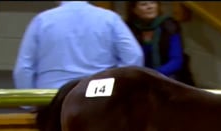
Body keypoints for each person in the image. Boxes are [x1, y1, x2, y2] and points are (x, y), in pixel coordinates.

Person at [13, 1, 144, 89]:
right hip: (99, 94)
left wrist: (29, 103)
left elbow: (24, 68)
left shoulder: (42, 20)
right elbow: (134, 57)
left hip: (51, 96)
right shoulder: (110, 19)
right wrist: (115, 86)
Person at [125, 1, 196, 86]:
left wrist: (154, 75)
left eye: (153, 3)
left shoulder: (170, 25)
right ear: (134, 10)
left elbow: (176, 60)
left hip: (167, 74)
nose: (150, 7)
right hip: (140, 75)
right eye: (144, 4)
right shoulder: (128, 29)